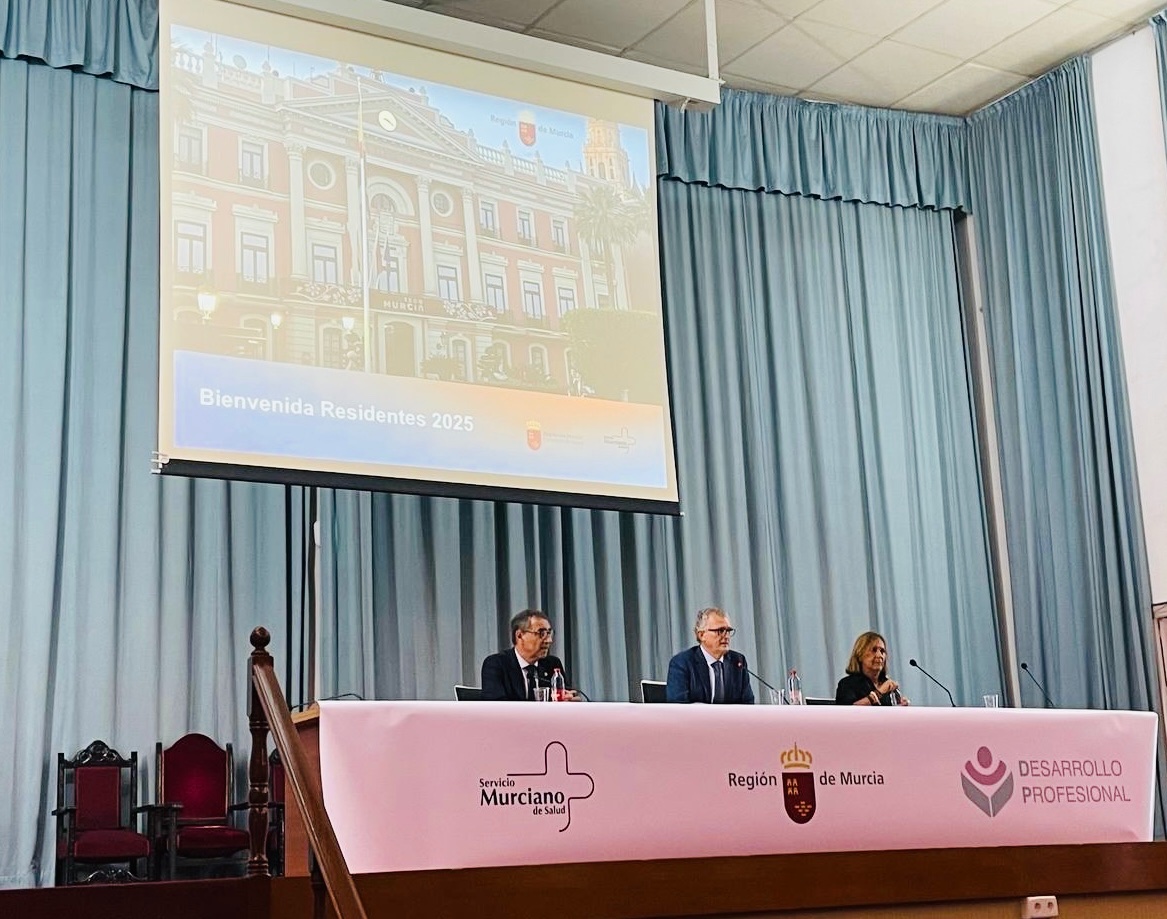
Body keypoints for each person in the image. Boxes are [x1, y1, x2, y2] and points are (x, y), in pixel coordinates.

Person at [480, 609, 578, 701]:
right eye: (541, 633)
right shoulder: (496, 664)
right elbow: (496, 708)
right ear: (519, 635)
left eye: (549, 633)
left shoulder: (552, 664)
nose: (549, 640)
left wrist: (570, 700)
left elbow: (566, 696)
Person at [665, 607, 755, 704]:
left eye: (728, 630)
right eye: (720, 631)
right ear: (701, 635)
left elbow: (748, 704)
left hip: (731, 719)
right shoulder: (682, 663)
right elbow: (678, 705)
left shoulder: (738, 662)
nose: (726, 636)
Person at [835, 631, 910, 706]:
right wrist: (878, 693)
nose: (879, 655)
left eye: (882, 651)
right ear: (860, 654)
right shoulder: (847, 684)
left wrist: (900, 708)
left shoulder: (887, 685)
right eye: (874, 650)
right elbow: (848, 713)